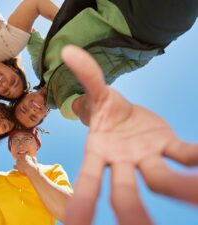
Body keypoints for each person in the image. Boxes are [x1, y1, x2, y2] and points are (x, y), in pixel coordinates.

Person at [58, 45, 198, 225]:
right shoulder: (60, 101)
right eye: (30, 116)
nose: (34, 109)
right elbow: (79, 107)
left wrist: (102, 106)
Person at [26, 0, 198, 125]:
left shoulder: (39, 65)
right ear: (44, 116)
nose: (32, 110)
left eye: (24, 110)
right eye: (33, 117)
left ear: (22, 97)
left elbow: (25, 35)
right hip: (138, 29)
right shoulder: (64, 102)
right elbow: (83, 108)